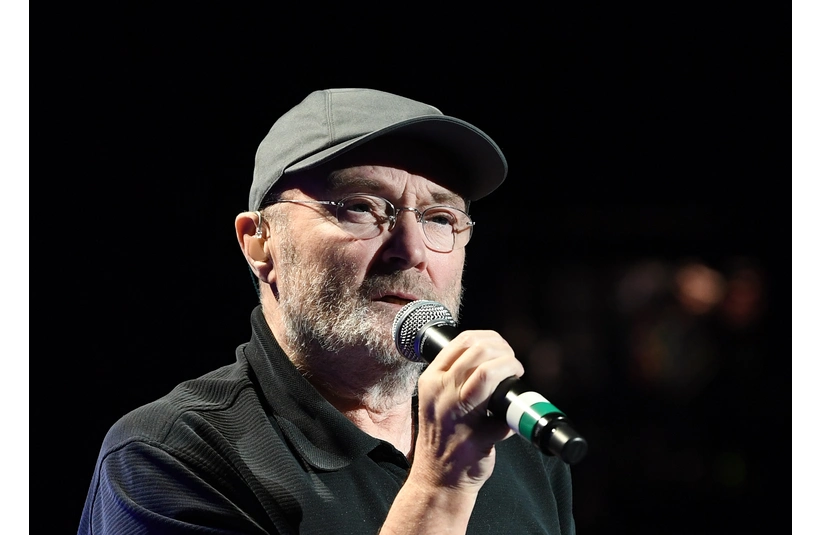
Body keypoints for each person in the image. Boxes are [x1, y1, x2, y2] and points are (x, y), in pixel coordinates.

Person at [78, 88, 577, 534]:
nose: (412, 250)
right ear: (260, 243)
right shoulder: (170, 457)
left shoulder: (512, 442)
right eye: (360, 206)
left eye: (440, 218)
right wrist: (440, 488)